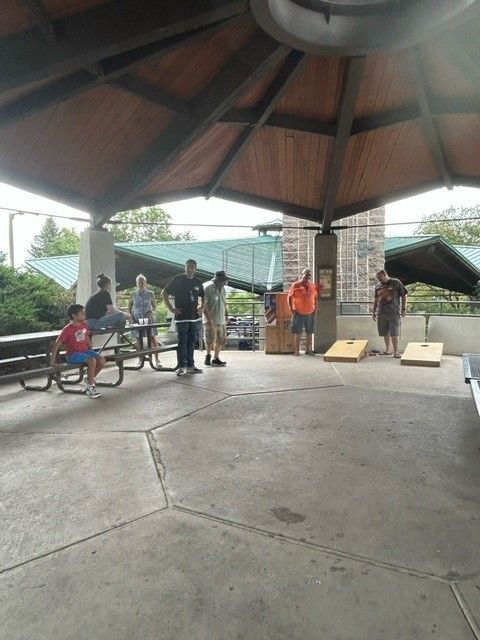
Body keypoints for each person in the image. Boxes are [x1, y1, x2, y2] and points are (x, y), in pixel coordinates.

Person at [51, 304, 106, 398]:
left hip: (85, 351)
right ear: (74, 315)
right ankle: (91, 387)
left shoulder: (84, 325)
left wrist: (91, 349)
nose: (84, 315)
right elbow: (56, 344)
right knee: (92, 360)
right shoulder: (67, 329)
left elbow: (86, 336)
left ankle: (89, 379)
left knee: (101, 360)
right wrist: (52, 361)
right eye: (82, 313)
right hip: (72, 355)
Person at [162, 259, 204, 377]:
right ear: (184, 267)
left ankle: (191, 365)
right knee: (183, 342)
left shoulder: (197, 281)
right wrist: (171, 309)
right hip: (181, 317)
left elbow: (203, 295)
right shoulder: (178, 279)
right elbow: (164, 293)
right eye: (188, 267)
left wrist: (202, 307)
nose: (189, 269)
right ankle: (181, 366)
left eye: (192, 267)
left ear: (195, 269)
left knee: (192, 341)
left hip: (194, 317)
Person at [372, 269, 408, 358]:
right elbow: (376, 300)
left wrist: (403, 308)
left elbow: (404, 295)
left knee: (394, 332)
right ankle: (388, 350)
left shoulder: (396, 282)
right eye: (378, 279)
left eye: (380, 278)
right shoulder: (378, 286)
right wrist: (374, 311)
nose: (379, 280)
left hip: (394, 311)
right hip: (381, 312)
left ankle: (396, 352)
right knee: (384, 331)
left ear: (384, 274)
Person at [129, 274, 159, 365]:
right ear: (136, 283)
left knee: (152, 338)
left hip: (148, 318)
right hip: (137, 319)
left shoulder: (150, 294)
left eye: (142, 282)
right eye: (139, 282)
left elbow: (154, 307)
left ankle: (157, 360)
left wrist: (151, 312)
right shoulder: (132, 294)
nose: (141, 284)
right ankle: (140, 359)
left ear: (145, 283)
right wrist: (132, 317)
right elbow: (129, 308)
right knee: (138, 339)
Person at [287, 268, 319, 356]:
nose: (307, 276)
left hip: (310, 313)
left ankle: (308, 350)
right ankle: (296, 351)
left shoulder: (312, 286)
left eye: (309, 275)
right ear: (302, 274)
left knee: (310, 332)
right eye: (305, 274)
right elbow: (289, 297)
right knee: (298, 332)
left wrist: (315, 308)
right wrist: (291, 309)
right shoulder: (295, 285)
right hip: (298, 312)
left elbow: (315, 298)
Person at [203, 270, 228, 367]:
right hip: (211, 319)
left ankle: (216, 358)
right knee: (210, 339)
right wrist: (209, 319)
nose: (224, 282)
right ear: (217, 280)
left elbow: (224, 303)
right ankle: (208, 356)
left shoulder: (223, 289)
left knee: (221, 339)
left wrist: (226, 313)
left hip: (221, 319)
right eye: (223, 280)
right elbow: (204, 305)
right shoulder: (208, 288)